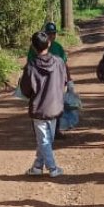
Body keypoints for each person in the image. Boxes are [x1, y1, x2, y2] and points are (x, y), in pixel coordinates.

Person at [20, 31, 68, 177]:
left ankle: (53, 169)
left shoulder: (31, 66)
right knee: (47, 140)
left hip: (39, 108)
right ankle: (37, 167)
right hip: (55, 106)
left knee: (45, 140)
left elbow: (26, 90)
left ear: (34, 47)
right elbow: (64, 83)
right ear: (49, 43)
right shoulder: (59, 62)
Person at [27, 22, 73, 140]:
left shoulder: (58, 47)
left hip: (55, 82)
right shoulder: (35, 48)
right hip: (41, 82)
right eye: (49, 34)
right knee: (42, 105)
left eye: (53, 33)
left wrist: (69, 80)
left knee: (56, 105)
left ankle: (55, 131)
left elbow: (64, 65)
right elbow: (30, 65)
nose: (52, 36)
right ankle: (42, 134)